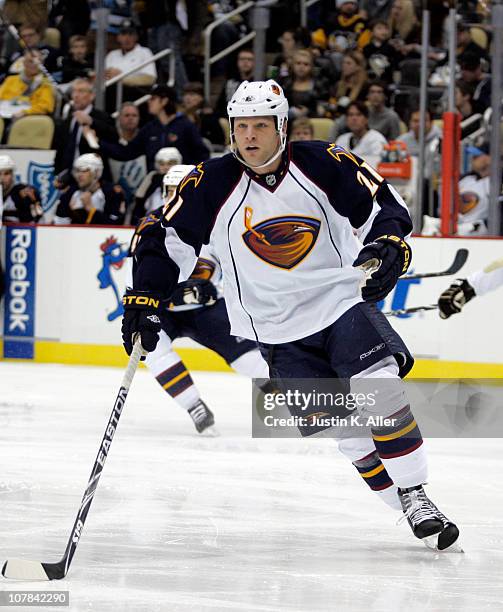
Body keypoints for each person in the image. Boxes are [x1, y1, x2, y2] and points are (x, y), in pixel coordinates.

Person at [121, 79, 460, 551]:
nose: (250, 135)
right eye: (241, 126)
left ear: (282, 126)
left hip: (338, 301)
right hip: (271, 327)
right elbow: (161, 237)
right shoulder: (212, 183)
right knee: (346, 431)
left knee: (378, 389)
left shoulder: (324, 162)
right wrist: (145, 296)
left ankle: (418, 493)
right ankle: (405, 504)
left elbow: (384, 206)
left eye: (261, 124)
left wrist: (388, 244)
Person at [127, 163, 270, 434]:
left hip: (206, 309)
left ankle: (299, 401)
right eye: (171, 191)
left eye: (182, 191)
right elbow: (134, 271)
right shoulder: (150, 226)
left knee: (251, 360)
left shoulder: (223, 220)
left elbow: (239, 270)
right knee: (152, 349)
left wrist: (214, 289)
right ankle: (194, 406)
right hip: (164, 311)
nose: (176, 197)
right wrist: (143, 301)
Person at [93, 84, 210, 171]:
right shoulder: (149, 128)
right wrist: (97, 142)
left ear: (164, 101)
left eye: (153, 98)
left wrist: (188, 174)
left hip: (183, 184)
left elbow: (203, 156)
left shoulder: (186, 126)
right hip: (155, 183)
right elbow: (126, 152)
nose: (149, 102)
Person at [52, 78, 118, 179]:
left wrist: (91, 121)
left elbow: (114, 137)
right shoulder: (67, 121)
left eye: (81, 91)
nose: (76, 95)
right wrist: (58, 174)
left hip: (94, 178)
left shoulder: (102, 117)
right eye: (74, 91)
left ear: (92, 96)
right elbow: (60, 150)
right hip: (70, 178)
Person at [53, 153, 125, 225]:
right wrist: (73, 213)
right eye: (77, 170)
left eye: (84, 170)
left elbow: (116, 225)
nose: (79, 174)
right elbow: (59, 225)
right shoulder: (70, 192)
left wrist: (90, 209)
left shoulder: (113, 192)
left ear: (96, 172)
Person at [131, 147, 182, 224]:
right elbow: (139, 202)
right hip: (151, 221)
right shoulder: (151, 178)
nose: (166, 167)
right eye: (162, 164)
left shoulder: (184, 179)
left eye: (170, 164)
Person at [438, 259, 503, 319]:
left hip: (474, 290)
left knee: (453, 304)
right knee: (452, 302)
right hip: (471, 285)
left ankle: (445, 310)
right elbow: (496, 263)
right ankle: (445, 309)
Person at [0, 49, 55, 119]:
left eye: (38, 62)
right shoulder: (11, 79)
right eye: (30, 61)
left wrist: (26, 112)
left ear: (42, 64)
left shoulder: (45, 84)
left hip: (28, 117)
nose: (34, 64)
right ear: (24, 62)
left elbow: (46, 106)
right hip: (4, 113)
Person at [0, 154, 43, 223]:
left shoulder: (24, 192)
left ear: (12, 175)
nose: (2, 178)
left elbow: (37, 217)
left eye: (6, 174)